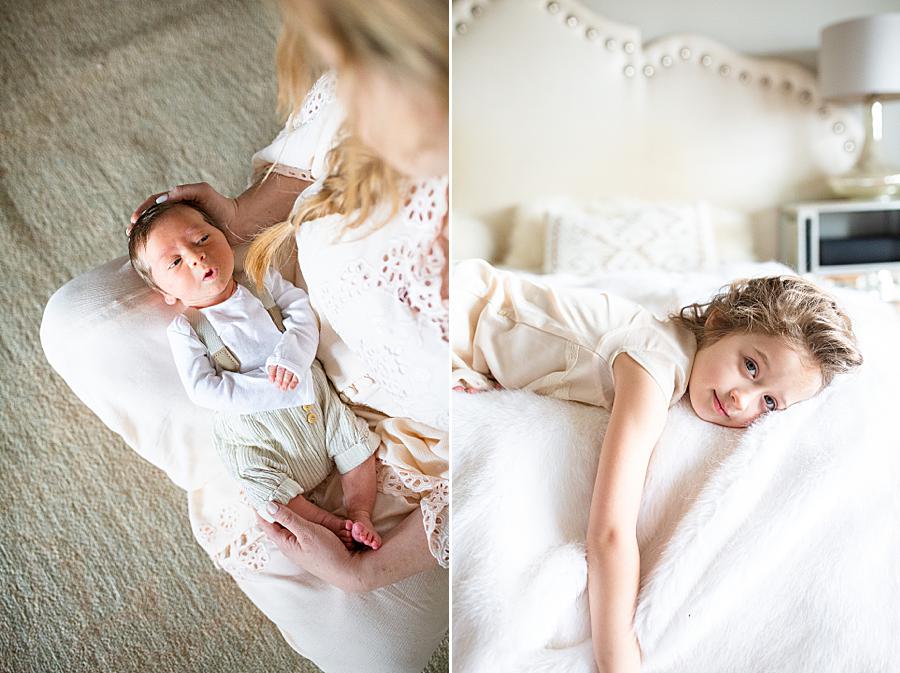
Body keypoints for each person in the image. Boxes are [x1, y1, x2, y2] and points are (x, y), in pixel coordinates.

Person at [42, 1, 449, 671]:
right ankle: (262, 488)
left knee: (376, 653)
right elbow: (300, 174)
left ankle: (334, 512)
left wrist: (363, 574)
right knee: (76, 324)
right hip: (257, 375)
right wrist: (231, 222)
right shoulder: (378, 73)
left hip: (405, 447)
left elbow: (524, 443)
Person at [451, 259, 863, 673]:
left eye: (769, 402)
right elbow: (610, 531)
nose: (743, 400)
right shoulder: (653, 367)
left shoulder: (672, 350)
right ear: (718, 322)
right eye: (751, 366)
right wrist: (619, 657)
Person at [129, 200, 382, 550]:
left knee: (356, 443)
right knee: (259, 484)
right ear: (166, 294)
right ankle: (325, 521)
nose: (196, 257)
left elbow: (301, 313)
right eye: (175, 261)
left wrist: (292, 358)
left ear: (224, 237)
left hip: (312, 395)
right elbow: (203, 389)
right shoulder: (188, 329)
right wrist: (267, 389)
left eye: (202, 238)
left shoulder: (260, 279)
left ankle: (360, 511)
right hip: (255, 431)